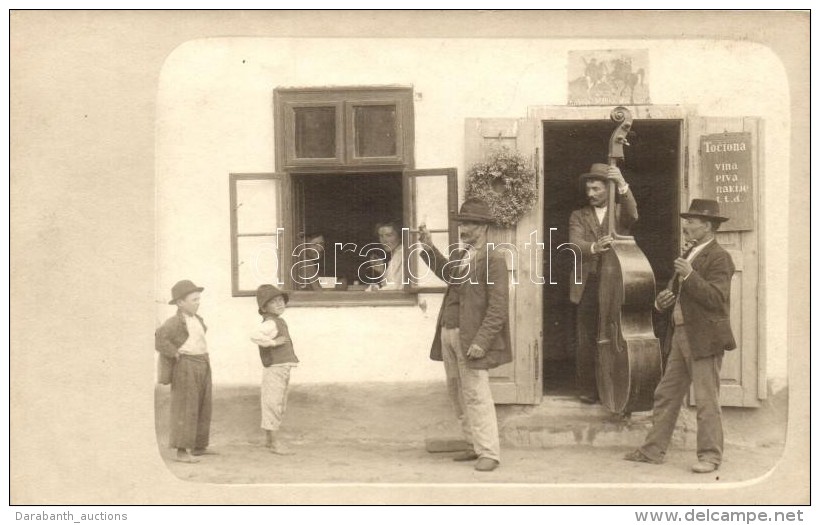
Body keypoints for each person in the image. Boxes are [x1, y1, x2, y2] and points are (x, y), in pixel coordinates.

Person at [624, 199, 736, 474]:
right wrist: (664, 301)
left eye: (692, 222)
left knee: (706, 398)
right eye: (687, 221)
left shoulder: (720, 257)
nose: (686, 226)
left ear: (707, 226)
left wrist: (690, 275)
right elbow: (680, 294)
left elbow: (717, 299)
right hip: (682, 336)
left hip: (704, 338)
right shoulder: (689, 255)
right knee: (666, 393)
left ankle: (710, 456)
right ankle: (652, 450)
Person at [418, 198, 511, 472]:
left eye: (469, 224)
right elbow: (448, 275)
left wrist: (482, 341)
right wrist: (428, 246)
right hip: (449, 332)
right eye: (462, 223)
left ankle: (490, 453)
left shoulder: (493, 258)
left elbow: (498, 307)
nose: (463, 229)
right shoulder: (461, 255)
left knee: (477, 394)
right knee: (458, 393)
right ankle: (473, 445)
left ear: (483, 228)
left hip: (470, 337)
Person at [568, 163, 638, 404]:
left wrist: (621, 183)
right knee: (586, 337)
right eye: (588, 189)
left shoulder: (620, 212)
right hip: (588, 281)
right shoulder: (578, 215)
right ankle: (588, 390)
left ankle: (615, 386)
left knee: (613, 333)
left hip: (616, 279)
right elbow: (574, 243)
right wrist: (593, 247)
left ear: (607, 189)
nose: (590, 194)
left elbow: (634, 214)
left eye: (596, 189)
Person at [155, 280, 213, 463]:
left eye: (199, 299)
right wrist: (174, 353)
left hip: (203, 362)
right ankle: (181, 452)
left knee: (204, 404)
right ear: (180, 303)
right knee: (185, 407)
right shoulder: (174, 322)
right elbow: (159, 340)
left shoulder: (198, 319)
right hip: (186, 365)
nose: (198, 302)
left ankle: (198, 446)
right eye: (194, 299)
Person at [250, 284, 298, 455]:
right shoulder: (271, 322)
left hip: (281, 368)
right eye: (274, 302)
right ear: (264, 308)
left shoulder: (278, 321)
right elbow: (255, 335)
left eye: (281, 301)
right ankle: (274, 444)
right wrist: (273, 342)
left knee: (277, 403)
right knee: (273, 403)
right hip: (275, 369)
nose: (279, 304)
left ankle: (270, 442)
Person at [367, 220, 405, 290]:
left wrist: (377, 291)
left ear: (399, 236)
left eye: (389, 235)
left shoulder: (402, 255)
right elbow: (391, 283)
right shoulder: (395, 255)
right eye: (381, 236)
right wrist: (382, 271)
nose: (384, 240)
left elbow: (396, 288)